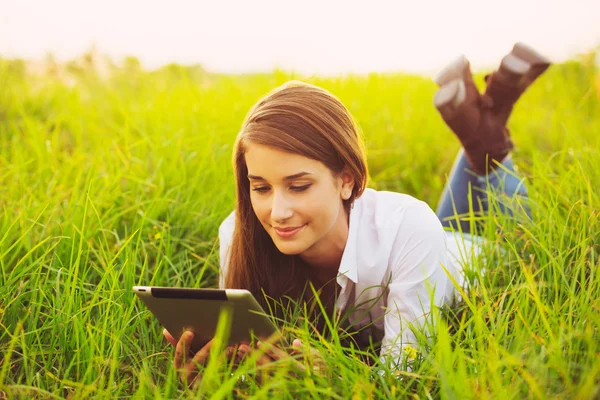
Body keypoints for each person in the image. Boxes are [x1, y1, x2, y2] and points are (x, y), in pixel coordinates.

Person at [164, 42, 551, 385]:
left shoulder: (409, 228)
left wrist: (336, 378)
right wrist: (215, 373)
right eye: (261, 187)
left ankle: (488, 132)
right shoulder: (238, 232)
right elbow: (244, 357)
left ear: (346, 180)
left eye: (299, 186)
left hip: (486, 253)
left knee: (500, 189)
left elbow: (404, 375)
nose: (277, 212)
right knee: (475, 156)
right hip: (430, 243)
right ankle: (486, 118)